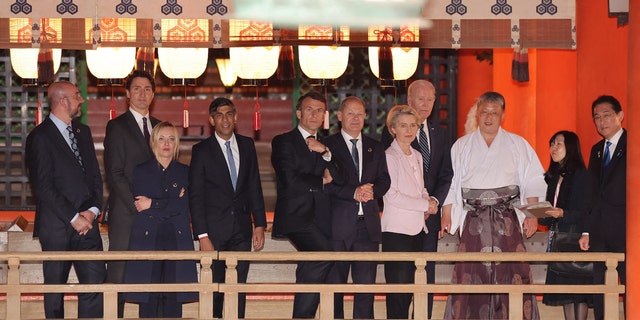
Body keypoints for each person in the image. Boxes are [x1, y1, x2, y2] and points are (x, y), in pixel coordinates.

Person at [441, 91, 545, 320]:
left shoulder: (518, 144)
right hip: (473, 221)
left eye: (494, 112)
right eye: (484, 112)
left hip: (506, 219)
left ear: (502, 115)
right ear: (477, 113)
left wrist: (533, 215)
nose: (489, 117)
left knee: (512, 273)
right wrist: (447, 213)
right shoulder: (462, 145)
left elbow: (534, 180)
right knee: (471, 273)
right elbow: (449, 181)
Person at [25, 81, 106, 318]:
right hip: (58, 226)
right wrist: (73, 217)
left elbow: (95, 177)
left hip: (88, 225)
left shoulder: (84, 132)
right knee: (55, 290)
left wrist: (91, 211)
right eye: (77, 95)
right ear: (63, 101)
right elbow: (43, 186)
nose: (81, 100)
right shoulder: (40, 137)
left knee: (95, 285)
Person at [189, 98, 267, 318]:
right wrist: (202, 234)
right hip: (214, 231)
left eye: (229, 114)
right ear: (212, 120)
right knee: (215, 288)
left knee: (237, 287)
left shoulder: (247, 145)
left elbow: (254, 185)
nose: (225, 119)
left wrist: (259, 224)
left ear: (236, 117)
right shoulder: (201, 150)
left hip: (242, 229)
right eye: (220, 115)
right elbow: (196, 195)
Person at [382, 79, 453, 318]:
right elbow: (390, 191)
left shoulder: (436, 137)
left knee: (425, 281)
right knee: (400, 287)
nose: (425, 104)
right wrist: (426, 204)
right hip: (399, 225)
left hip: (426, 223)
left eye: (430, 99)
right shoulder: (389, 150)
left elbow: (443, 175)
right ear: (409, 101)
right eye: (420, 99)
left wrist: (434, 203)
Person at [271, 91, 338, 318]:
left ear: (324, 116)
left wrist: (326, 152)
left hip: (322, 217)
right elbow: (289, 179)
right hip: (296, 217)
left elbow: (342, 175)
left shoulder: (328, 144)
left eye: (319, 110)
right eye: (309, 109)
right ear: (299, 112)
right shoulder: (283, 141)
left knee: (310, 264)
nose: (314, 114)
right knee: (324, 255)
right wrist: (321, 180)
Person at [324, 96, 390, 319]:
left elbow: (385, 180)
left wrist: (372, 191)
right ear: (339, 116)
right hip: (336, 227)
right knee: (335, 287)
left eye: (360, 114)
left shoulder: (375, 146)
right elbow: (324, 185)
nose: (355, 118)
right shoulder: (327, 146)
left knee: (365, 290)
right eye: (350, 113)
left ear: (365, 117)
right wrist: (353, 192)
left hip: (367, 228)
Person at [123, 121, 197, 318]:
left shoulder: (185, 171)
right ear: (153, 142)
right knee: (149, 296)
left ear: (177, 143)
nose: (166, 143)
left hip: (176, 238)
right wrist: (171, 201)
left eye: (171, 139)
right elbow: (141, 206)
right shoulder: (140, 170)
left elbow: (184, 206)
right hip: (148, 238)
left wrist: (153, 203)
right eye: (162, 138)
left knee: (174, 297)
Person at [103, 70, 161, 317]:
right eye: (136, 89)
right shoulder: (116, 126)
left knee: (153, 273)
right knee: (119, 273)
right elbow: (115, 173)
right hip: (127, 213)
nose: (142, 94)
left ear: (153, 94)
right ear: (127, 94)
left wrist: (158, 205)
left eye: (147, 89)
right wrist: (136, 205)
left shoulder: (160, 127)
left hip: (156, 213)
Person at [382, 105, 435, 319]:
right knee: (398, 294)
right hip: (396, 231)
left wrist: (429, 200)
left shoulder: (417, 155)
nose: (409, 129)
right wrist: (424, 206)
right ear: (393, 128)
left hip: (417, 230)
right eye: (403, 125)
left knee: (414, 289)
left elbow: (419, 187)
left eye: (413, 125)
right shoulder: (389, 156)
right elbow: (391, 195)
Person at [579, 95, 626, 320]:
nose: (601, 121)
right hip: (599, 230)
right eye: (596, 117)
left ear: (620, 116)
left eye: (606, 115)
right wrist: (587, 230)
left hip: (626, 229)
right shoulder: (596, 150)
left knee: (630, 285)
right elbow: (592, 193)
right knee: (599, 287)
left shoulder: (633, 144)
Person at [538, 131, 592, 320]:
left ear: (570, 147)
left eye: (558, 144)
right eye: (552, 144)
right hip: (558, 239)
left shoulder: (581, 175)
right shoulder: (553, 176)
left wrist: (563, 213)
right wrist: (538, 213)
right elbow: (549, 213)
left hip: (576, 239)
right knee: (566, 294)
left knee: (579, 294)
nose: (553, 148)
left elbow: (587, 211)